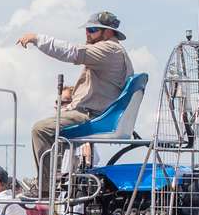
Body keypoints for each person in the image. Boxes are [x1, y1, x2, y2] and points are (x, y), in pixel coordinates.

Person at [17, 10, 132, 186]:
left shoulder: (108, 49)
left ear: (108, 32)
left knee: (41, 129)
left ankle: (46, 187)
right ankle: (57, 182)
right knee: (55, 131)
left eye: (92, 29)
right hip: (97, 113)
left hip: (92, 116)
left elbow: (71, 52)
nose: (87, 33)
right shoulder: (114, 52)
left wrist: (37, 38)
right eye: (87, 29)